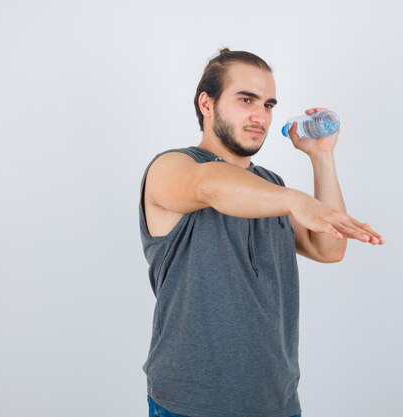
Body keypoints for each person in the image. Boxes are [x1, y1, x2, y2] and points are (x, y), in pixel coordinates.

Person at [138, 48, 384, 417]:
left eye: (268, 104)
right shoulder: (172, 166)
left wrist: (322, 157)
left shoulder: (271, 186)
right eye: (246, 99)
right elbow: (210, 185)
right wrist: (296, 201)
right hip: (191, 405)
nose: (261, 116)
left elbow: (328, 249)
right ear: (207, 103)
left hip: (276, 401)